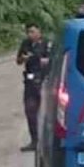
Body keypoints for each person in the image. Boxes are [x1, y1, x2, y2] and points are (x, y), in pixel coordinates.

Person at [16, 23, 52, 152]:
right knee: (30, 111)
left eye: (33, 32)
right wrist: (23, 58)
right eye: (29, 32)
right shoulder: (25, 43)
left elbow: (52, 60)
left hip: (44, 81)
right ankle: (34, 140)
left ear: (39, 32)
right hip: (30, 81)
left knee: (47, 112)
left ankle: (47, 141)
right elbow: (18, 60)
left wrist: (44, 60)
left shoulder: (47, 43)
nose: (31, 34)